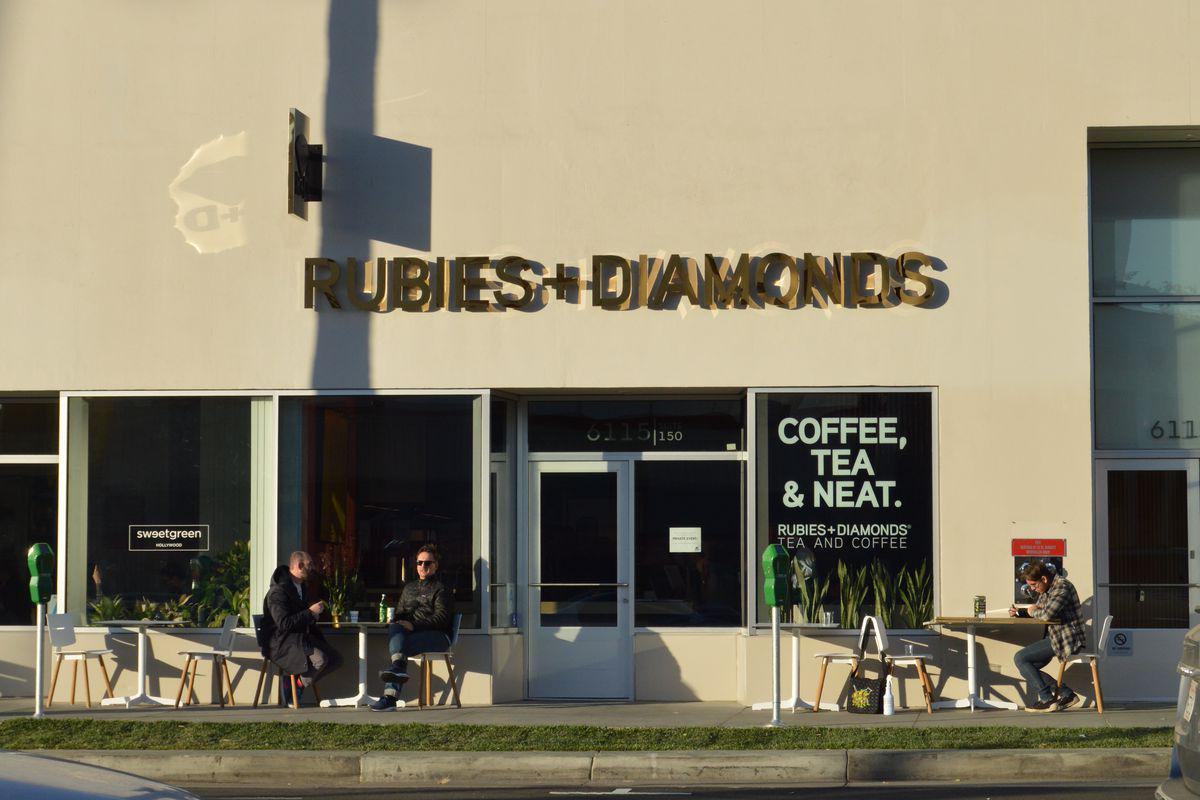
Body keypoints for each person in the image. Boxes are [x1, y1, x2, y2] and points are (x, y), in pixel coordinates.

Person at [369, 544, 452, 711]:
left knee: (401, 650)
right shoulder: (409, 588)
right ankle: (393, 682)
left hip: (438, 636)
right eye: (419, 563)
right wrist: (396, 620)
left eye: (427, 563)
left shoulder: (441, 589)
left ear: (435, 565)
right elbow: (400, 613)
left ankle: (390, 695)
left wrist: (413, 625)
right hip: (411, 635)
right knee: (394, 630)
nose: (423, 567)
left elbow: (441, 619)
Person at [263, 550, 344, 705]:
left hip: (301, 638)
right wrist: (309, 613)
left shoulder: (301, 587)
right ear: (300, 565)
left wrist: (313, 616)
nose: (313, 567)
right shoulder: (278, 592)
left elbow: (300, 617)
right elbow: (284, 623)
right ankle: (292, 685)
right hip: (282, 642)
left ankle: (297, 684)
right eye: (310, 564)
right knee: (320, 660)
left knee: (336, 659)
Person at [1009, 559, 1087, 712]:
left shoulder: (1062, 587)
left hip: (1067, 639)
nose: (1033, 589)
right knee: (1027, 667)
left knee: (1020, 658)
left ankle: (1047, 699)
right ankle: (1067, 694)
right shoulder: (1048, 589)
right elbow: (1039, 608)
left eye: (1033, 585)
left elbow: (1046, 614)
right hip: (1056, 638)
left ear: (1043, 579)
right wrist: (1020, 612)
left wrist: (1032, 611)